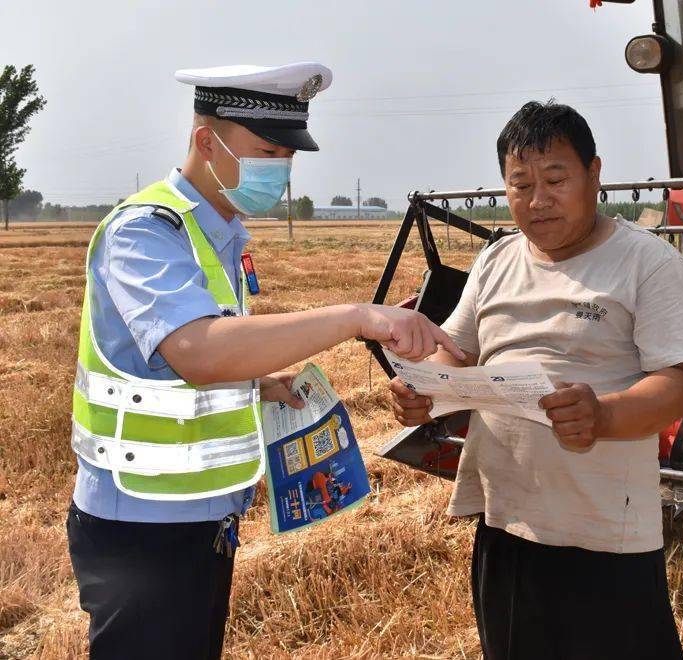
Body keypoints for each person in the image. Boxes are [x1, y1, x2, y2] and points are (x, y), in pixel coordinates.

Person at [66, 62, 463, 660]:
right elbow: (197, 351)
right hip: (143, 527)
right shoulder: (146, 232)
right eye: (265, 151)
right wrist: (355, 316)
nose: (278, 169)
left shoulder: (223, 234)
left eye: (287, 155)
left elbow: (201, 360)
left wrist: (260, 382)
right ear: (206, 141)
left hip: (204, 521)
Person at [389, 100, 683, 659]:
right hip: (506, 520)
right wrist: (424, 390)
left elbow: (680, 384)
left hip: (604, 532)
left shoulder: (646, 264)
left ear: (594, 174)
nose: (537, 200)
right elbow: (457, 355)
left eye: (556, 179)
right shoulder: (497, 260)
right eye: (520, 184)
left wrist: (603, 415)